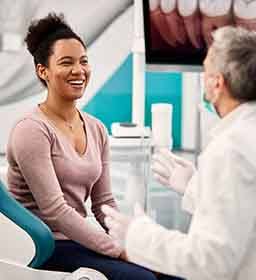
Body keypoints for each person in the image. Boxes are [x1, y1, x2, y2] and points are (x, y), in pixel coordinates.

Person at [6, 13, 182, 280]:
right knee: (142, 279)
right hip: (46, 246)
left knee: (174, 272)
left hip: (80, 239)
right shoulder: (31, 130)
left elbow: (103, 202)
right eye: (66, 62)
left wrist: (133, 238)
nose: (79, 71)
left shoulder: (96, 128)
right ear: (43, 71)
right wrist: (117, 249)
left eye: (84, 61)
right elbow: (56, 211)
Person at [102, 26, 256, 279]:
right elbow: (254, 213)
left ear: (217, 83)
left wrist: (136, 235)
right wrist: (196, 186)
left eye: (205, 69)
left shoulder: (231, 148)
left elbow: (210, 260)